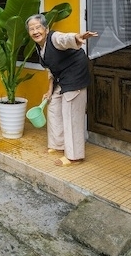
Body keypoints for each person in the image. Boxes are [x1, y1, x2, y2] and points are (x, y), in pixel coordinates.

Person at [26, 13, 98, 167]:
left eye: (38, 27)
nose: (35, 31)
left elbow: (64, 39)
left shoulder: (53, 38)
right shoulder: (39, 47)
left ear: (47, 28)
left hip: (75, 76)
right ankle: (58, 145)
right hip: (62, 78)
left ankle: (74, 156)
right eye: (31, 29)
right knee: (53, 106)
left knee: (71, 113)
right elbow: (51, 70)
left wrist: (77, 37)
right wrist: (49, 91)